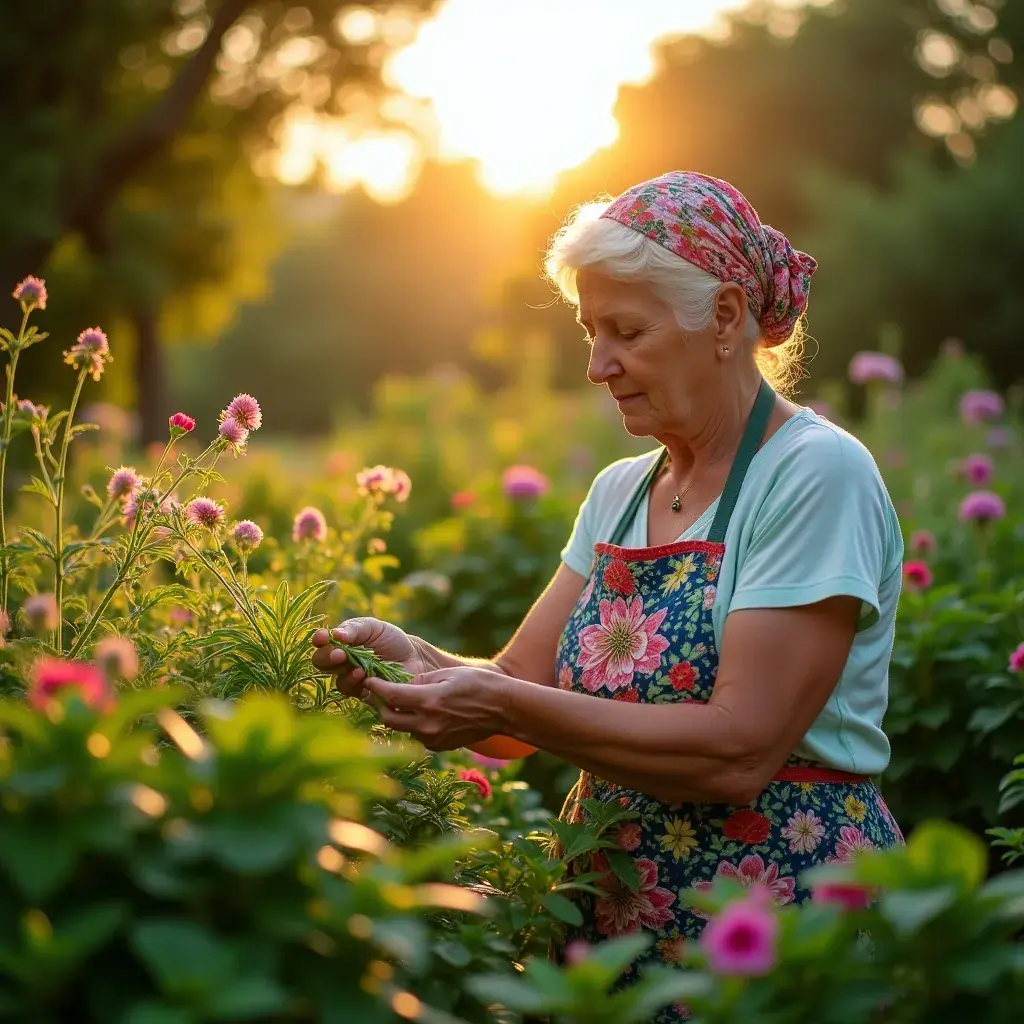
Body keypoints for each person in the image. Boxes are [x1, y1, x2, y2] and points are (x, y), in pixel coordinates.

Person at [310, 171, 905, 1001]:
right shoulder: (622, 492)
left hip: (780, 920)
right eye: (591, 332)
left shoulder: (814, 474)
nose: (597, 365)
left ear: (725, 317)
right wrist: (416, 662)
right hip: (613, 918)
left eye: (626, 330)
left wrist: (503, 704)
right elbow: (520, 691)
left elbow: (741, 750)